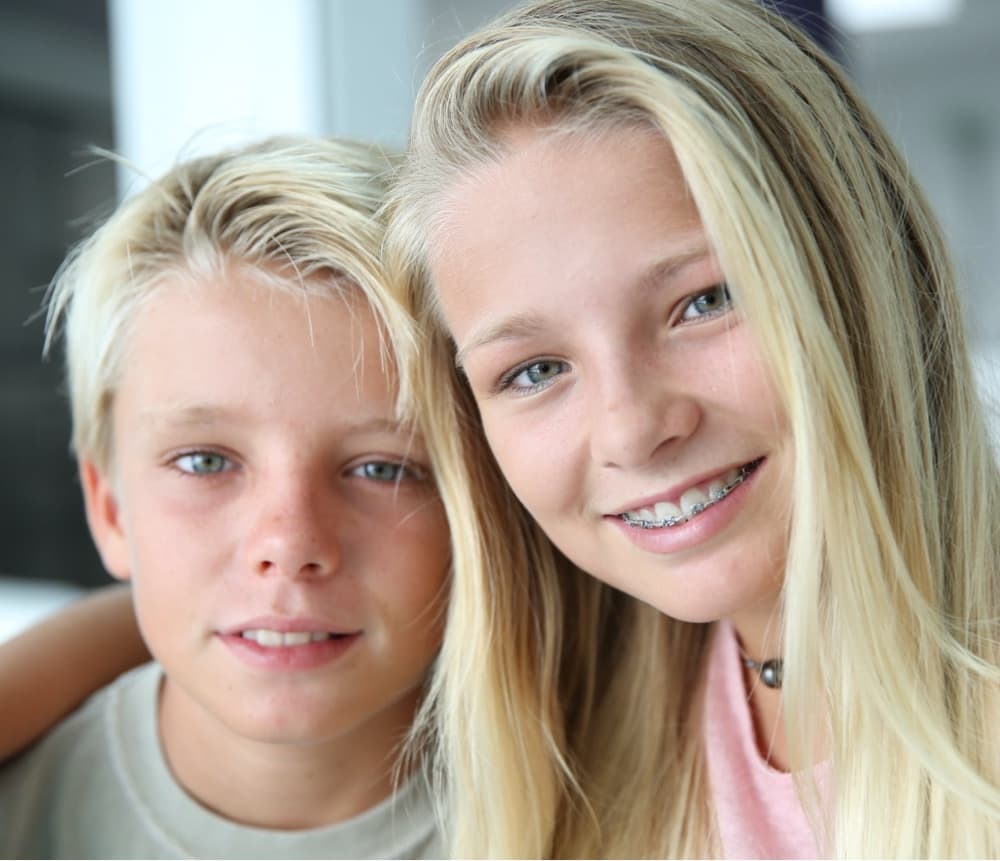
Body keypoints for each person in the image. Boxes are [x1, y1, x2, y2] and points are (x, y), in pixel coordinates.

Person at [382, 0, 1000, 856]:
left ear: (861, 267)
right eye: (534, 370)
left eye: (703, 302)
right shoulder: (579, 725)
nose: (632, 429)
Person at [0, 135, 451, 859]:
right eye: (205, 460)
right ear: (109, 508)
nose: (290, 543)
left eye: (382, 468)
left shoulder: (623, 809)